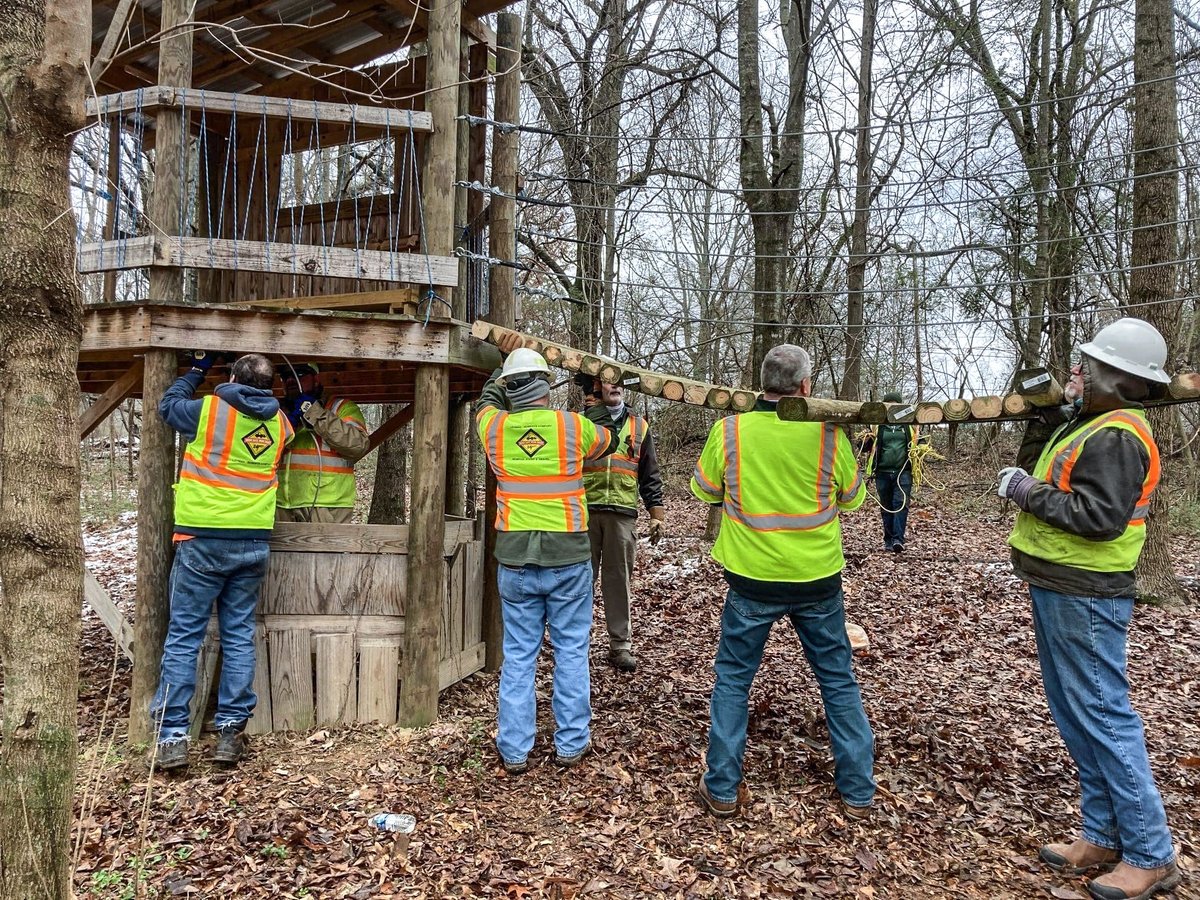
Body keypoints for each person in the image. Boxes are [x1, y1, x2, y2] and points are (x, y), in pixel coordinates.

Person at [997, 317, 1179, 900]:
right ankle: (1101, 834)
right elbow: (1048, 472)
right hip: (1059, 582)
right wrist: (1045, 418)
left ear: (1117, 376)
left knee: (1102, 716)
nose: (1077, 372)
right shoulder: (1089, 424)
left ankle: (1151, 854)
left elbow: (1098, 517)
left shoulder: (1118, 435)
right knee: (1078, 714)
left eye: (1088, 365)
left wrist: (1025, 492)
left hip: (1087, 591)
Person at [690, 344, 874, 820]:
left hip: (751, 578)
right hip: (817, 579)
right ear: (806, 386)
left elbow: (704, 490)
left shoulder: (730, 430)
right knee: (836, 678)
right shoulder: (829, 433)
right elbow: (853, 499)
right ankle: (858, 791)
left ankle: (722, 788)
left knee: (734, 679)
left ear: (762, 383)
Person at [477, 335, 619, 774]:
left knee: (519, 655)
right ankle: (571, 744)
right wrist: (593, 397)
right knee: (571, 651)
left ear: (509, 387)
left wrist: (502, 365)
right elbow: (610, 440)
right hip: (568, 558)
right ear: (544, 384)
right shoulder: (572, 426)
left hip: (515, 560)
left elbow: (486, 401)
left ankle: (515, 750)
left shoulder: (494, 429)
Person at [151, 352, 294, 769]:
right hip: (252, 541)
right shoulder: (282, 424)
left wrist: (196, 371)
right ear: (270, 386)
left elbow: (167, 406)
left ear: (232, 376)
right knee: (238, 635)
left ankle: (172, 737)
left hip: (202, 538)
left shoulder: (209, 411)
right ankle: (230, 733)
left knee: (184, 637)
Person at [579, 375, 666, 673]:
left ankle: (620, 645)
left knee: (618, 582)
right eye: (607, 382)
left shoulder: (639, 426)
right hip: (584, 512)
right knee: (580, 581)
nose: (614, 386)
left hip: (622, 513)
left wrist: (656, 513)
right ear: (597, 387)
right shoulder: (583, 422)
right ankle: (577, 642)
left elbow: (650, 474)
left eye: (619, 382)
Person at [276, 361, 369, 523]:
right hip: (281, 505)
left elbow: (358, 445)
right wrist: (285, 426)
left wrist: (315, 414)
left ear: (316, 379)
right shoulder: (276, 413)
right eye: (286, 376)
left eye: (299, 375)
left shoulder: (341, 408)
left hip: (328, 505)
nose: (291, 380)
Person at [860, 391, 922, 552]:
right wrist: (865, 440)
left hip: (903, 472)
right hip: (882, 472)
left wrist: (921, 449)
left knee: (900, 505)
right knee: (886, 506)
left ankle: (898, 540)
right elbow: (865, 447)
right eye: (889, 405)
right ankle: (888, 540)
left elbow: (920, 442)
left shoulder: (910, 425)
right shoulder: (876, 425)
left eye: (896, 405)